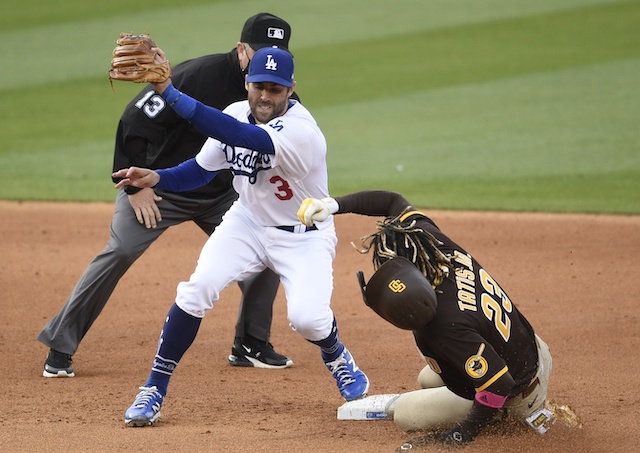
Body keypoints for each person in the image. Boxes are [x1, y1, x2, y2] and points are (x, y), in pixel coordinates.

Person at [112, 45, 369, 427]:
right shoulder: (236, 110)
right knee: (196, 291)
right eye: (259, 86)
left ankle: (336, 355)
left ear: (291, 90)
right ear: (247, 82)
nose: (265, 96)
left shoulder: (301, 131)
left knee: (308, 321)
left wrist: (169, 91)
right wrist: (159, 177)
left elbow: (239, 135)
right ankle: (153, 388)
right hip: (246, 223)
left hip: (304, 237)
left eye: (276, 89)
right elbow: (201, 170)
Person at [37, 13, 298, 378]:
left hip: (222, 197)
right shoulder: (197, 76)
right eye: (260, 53)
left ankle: (251, 343)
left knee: (267, 250)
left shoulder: (280, 94)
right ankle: (61, 344)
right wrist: (134, 188)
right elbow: (133, 122)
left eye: (278, 53)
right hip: (162, 187)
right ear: (241, 51)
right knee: (121, 250)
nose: (269, 65)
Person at [297, 191, 578, 449]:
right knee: (428, 378)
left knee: (406, 414)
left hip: (516, 392)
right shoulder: (433, 242)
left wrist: (460, 435)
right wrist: (333, 205)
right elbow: (392, 201)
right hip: (534, 350)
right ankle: (504, 404)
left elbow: (499, 384)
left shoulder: (441, 324)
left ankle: (506, 417)